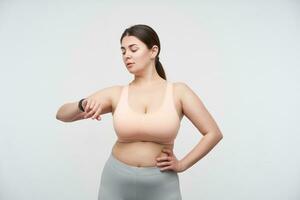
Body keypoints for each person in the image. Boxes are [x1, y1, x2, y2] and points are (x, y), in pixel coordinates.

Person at [56, 24, 223, 200]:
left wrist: (182, 164)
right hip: (116, 181)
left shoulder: (178, 92)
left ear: (153, 51)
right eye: (123, 51)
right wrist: (82, 104)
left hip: (162, 184)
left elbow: (213, 133)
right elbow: (61, 114)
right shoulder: (117, 93)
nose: (126, 55)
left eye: (133, 49)